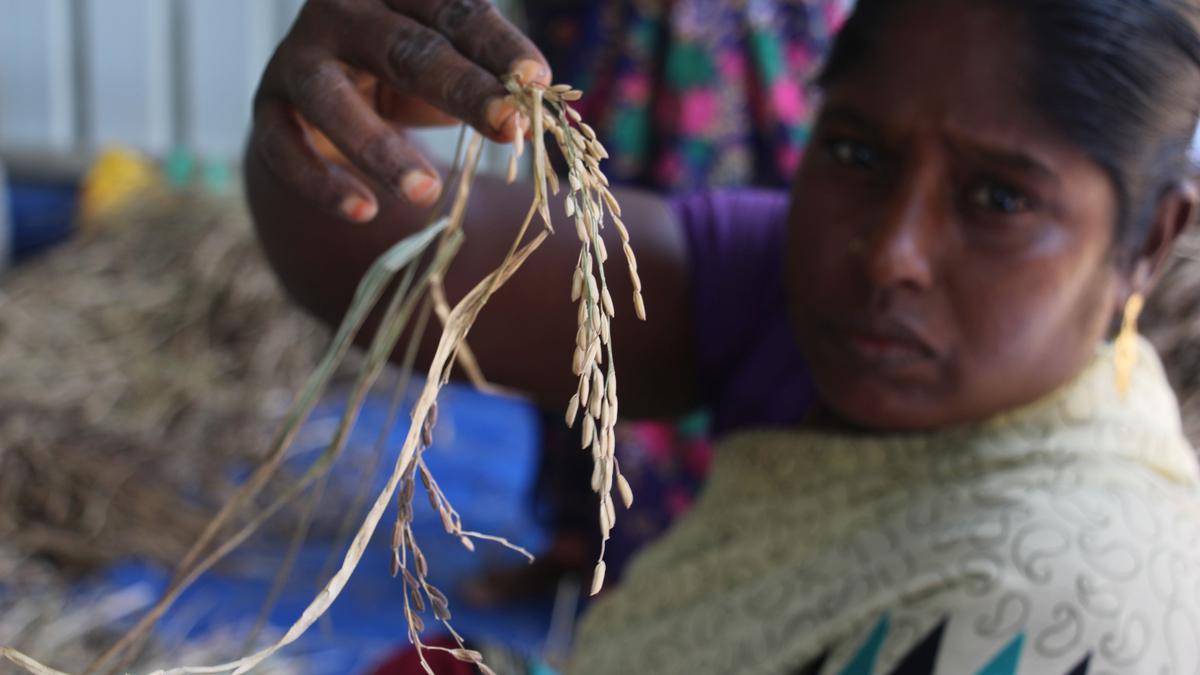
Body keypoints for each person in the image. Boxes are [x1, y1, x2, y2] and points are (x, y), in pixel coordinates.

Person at [245, 0, 1200, 671]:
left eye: (1000, 199)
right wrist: (326, 130)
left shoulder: (1075, 609)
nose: (889, 255)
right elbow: (389, 262)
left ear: (1150, 240)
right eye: (858, 152)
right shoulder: (789, 287)